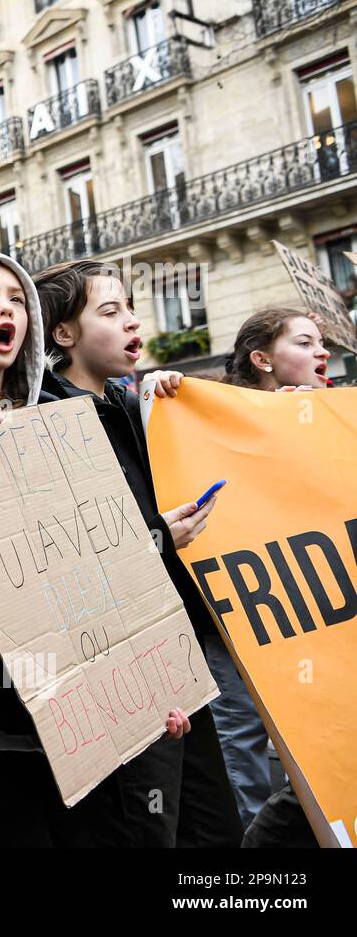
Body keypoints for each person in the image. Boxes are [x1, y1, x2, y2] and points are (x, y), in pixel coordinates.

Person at [0, 253, 191, 847]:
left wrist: (155, 687)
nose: (5, 309)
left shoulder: (63, 421)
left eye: (16, 299)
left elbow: (109, 562)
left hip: (83, 720)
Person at [34, 259, 243, 847]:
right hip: (115, 669)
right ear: (63, 335)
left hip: (175, 647)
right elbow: (62, 554)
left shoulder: (130, 407)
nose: (131, 321)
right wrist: (157, 539)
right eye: (110, 311)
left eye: (130, 308)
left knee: (212, 829)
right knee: (149, 829)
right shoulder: (46, 422)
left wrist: (169, 408)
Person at [208, 307, 331, 831]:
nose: (321, 353)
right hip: (238, 605)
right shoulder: (211, 418)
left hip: (313, 603)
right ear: (262, 360)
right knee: (243, 734)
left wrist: (318, 427)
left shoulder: (331, 415)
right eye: (304, 343)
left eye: (322, 343)